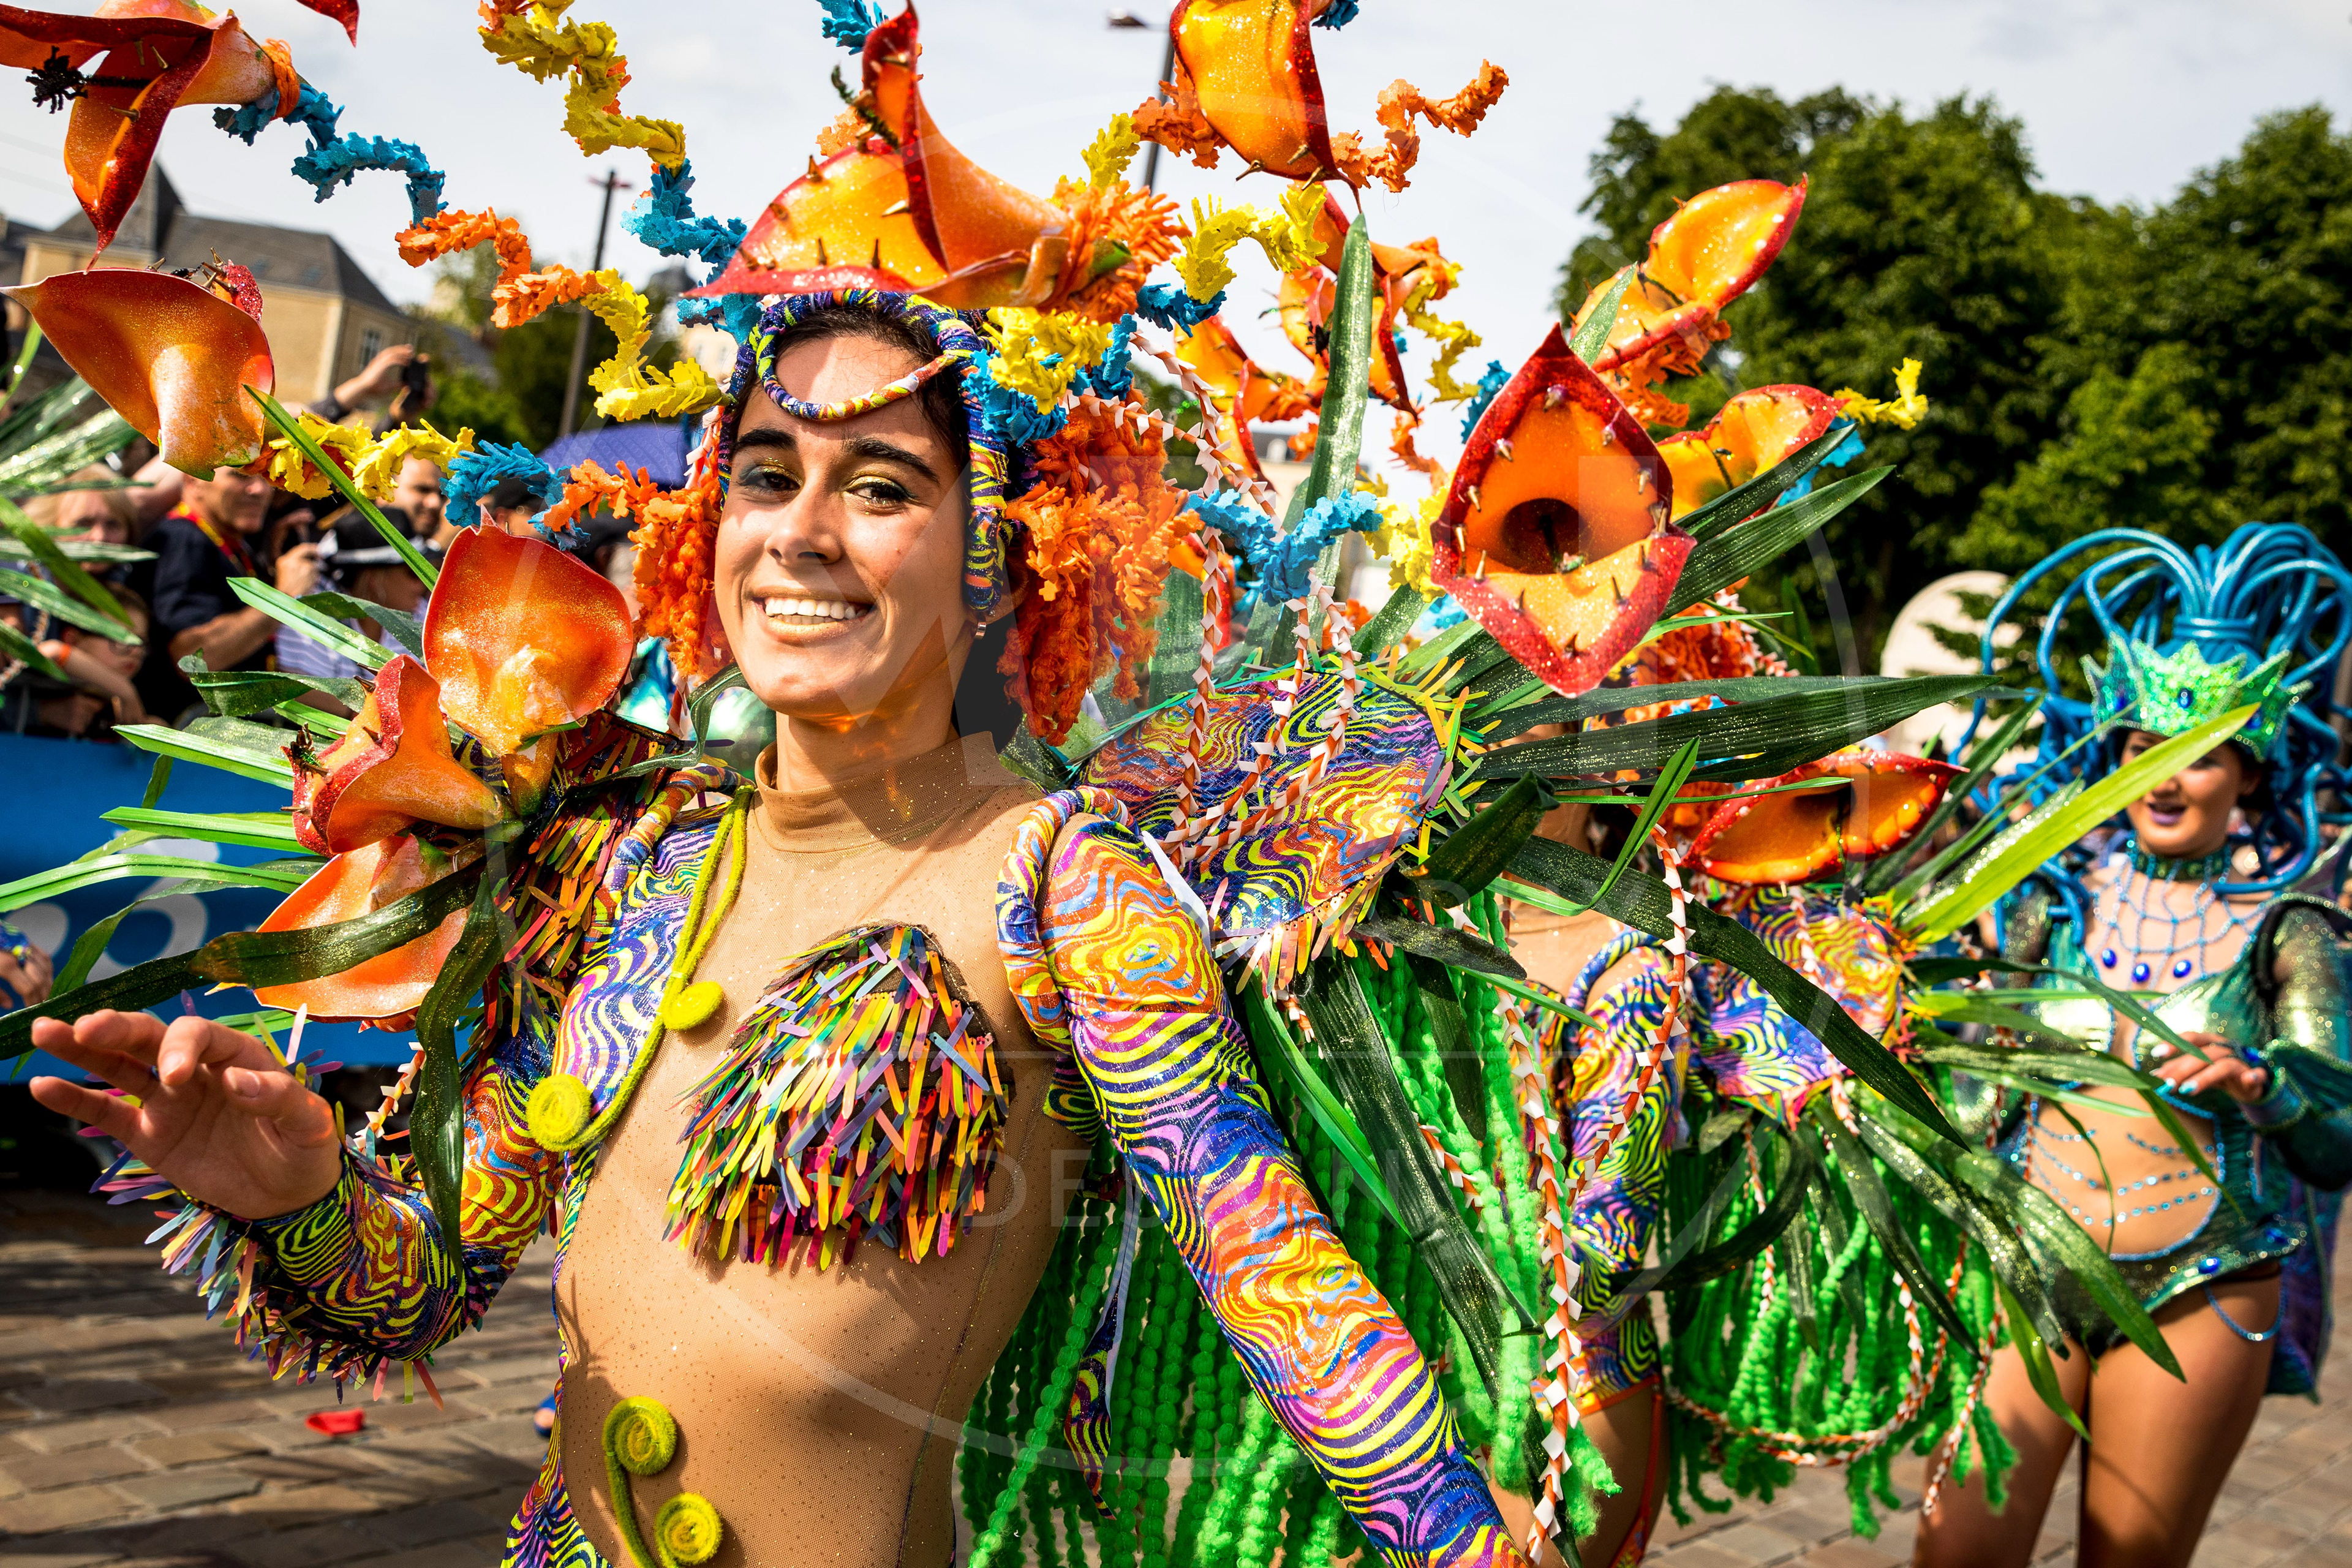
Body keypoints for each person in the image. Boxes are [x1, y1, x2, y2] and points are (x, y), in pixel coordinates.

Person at [28, 295, 1534, 1568]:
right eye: (764, 475)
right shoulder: (637, 866)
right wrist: (291, 1194)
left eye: (879, 485)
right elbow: (419, 1287)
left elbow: (1273, 1269)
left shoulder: (1060, 882)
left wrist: (1461, 1540)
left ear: (993, 546)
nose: (800, 534)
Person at [1919, 524, 2352, 1568]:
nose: (2163, 778)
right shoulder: (2048, 906)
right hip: (2035, 1267)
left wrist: (2260, 1086)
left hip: (2201, 1285)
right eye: (2141, 749)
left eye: (2196, 754)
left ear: (2247, 775)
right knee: (1954, 1555)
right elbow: (1974, 1095)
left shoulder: (2286, 927)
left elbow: (2338, 1140)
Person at [140, 466, 319, 721]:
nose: (260, 489)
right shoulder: (181, 539)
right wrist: (284, 598)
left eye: (267, 477)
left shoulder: (227, 542)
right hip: (194, 743)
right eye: (241, 475)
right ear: (193, 479)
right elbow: (194, 660)